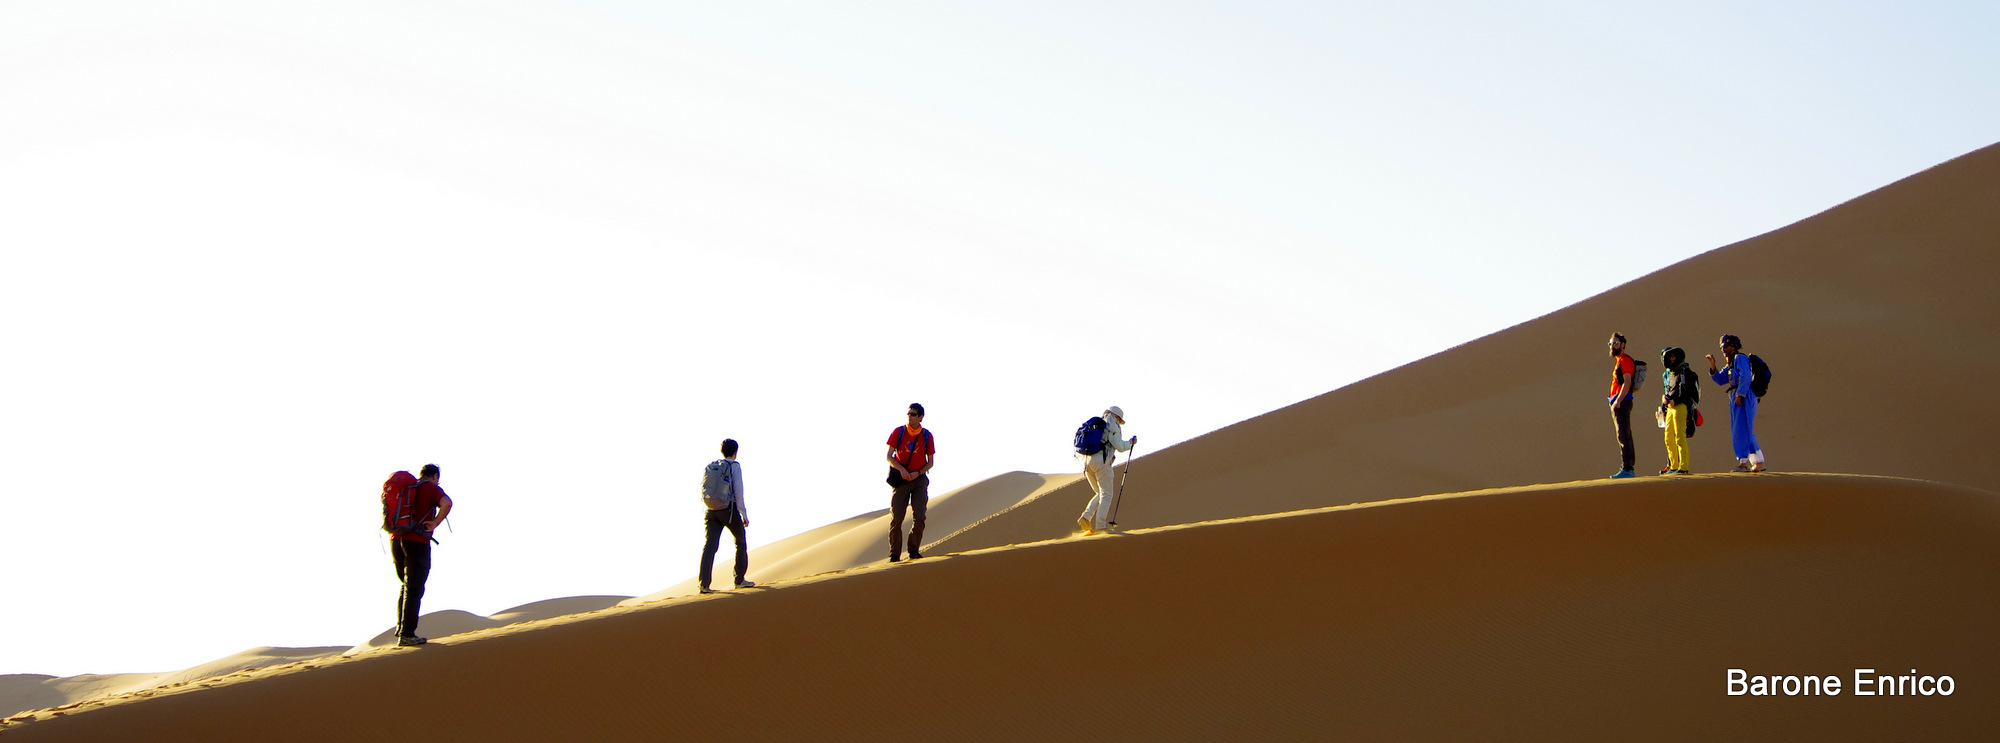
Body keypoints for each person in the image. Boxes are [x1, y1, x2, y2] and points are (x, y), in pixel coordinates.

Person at [391, 464, 453, 647]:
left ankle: (401, 628)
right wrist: (435, 522)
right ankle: (407, 634)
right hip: (416, 541)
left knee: (406, 585)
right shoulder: (430, 487)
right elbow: (447, 503)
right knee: (415, 587)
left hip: (395, 540)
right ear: (434, 476)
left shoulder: (407, 489)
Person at [699, 439, 754, 594]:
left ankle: (704, 584)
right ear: (735, 452)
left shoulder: (712, 466)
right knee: (740, 541)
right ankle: (739, 580)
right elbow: (738, 491)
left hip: (710, 510)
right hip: (728, 510)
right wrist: (743, 513)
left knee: (710, 546)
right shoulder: (734, 466)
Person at [1707, 334, 1766, 472]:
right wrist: (1713, 366)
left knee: (1740, 429)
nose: (1723, 349)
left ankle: (1743, 463)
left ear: (1733, 346)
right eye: (1721, 347)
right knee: (1744, 429)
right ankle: (1758, 462)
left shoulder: (1740, 358)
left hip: (1743, 395)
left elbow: (1745, 376)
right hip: (1736, 395)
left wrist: (1740, 394)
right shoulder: (1731, 362)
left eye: (1725, 346)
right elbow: (1721, 380)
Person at [885, 403, 935, 562]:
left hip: (919, 480)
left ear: (921, 417)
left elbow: (930, 462)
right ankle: (894, 554)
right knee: (897, 517)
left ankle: (913, 551)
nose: (910, 416)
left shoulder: (927, 436)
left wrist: (918, 473)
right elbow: (889, 456)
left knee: (920, 515)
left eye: (913, 414)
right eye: (909, 413)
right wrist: (902, 470)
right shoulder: (898, 432)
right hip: (901, 480)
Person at [1076, 405, 1137, 535]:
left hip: (1086, 463)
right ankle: (1101, 527)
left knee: (1100, 493)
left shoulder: (1098, 424)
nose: (1120, 422)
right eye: (1120, 420)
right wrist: (1130, 443)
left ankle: (1086, 517)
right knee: (1107, 495)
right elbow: (1120, 446)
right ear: (1117, 417)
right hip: (1101, 463)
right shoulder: (1112, 425)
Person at [1657, 347, 1700, 475]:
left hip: (1680, 407)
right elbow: (1669, 390)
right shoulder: (1669, 373)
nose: (1671, 360)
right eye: (1669, 357)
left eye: (1673, 357)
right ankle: (1673, 465)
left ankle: (1683, 467)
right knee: (1668, 438)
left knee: (1679, 437)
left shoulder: (1685, 372)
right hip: (1670, 408)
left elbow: (1689, 393)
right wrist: (1664, 400)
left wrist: (1675, 401)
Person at [1606, 333, 1638, 478]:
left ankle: (1627, 468)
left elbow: (1627, 382)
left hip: (1622, 402)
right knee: (1622, 434)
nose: (1613, 346)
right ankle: (1627, 467)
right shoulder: (1619, 361)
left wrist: (1618, 400)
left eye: (1616, 343)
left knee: (1623, 434)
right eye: (1611, 344)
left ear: (1623, 345)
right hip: (1618, 401)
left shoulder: (1625, 360)